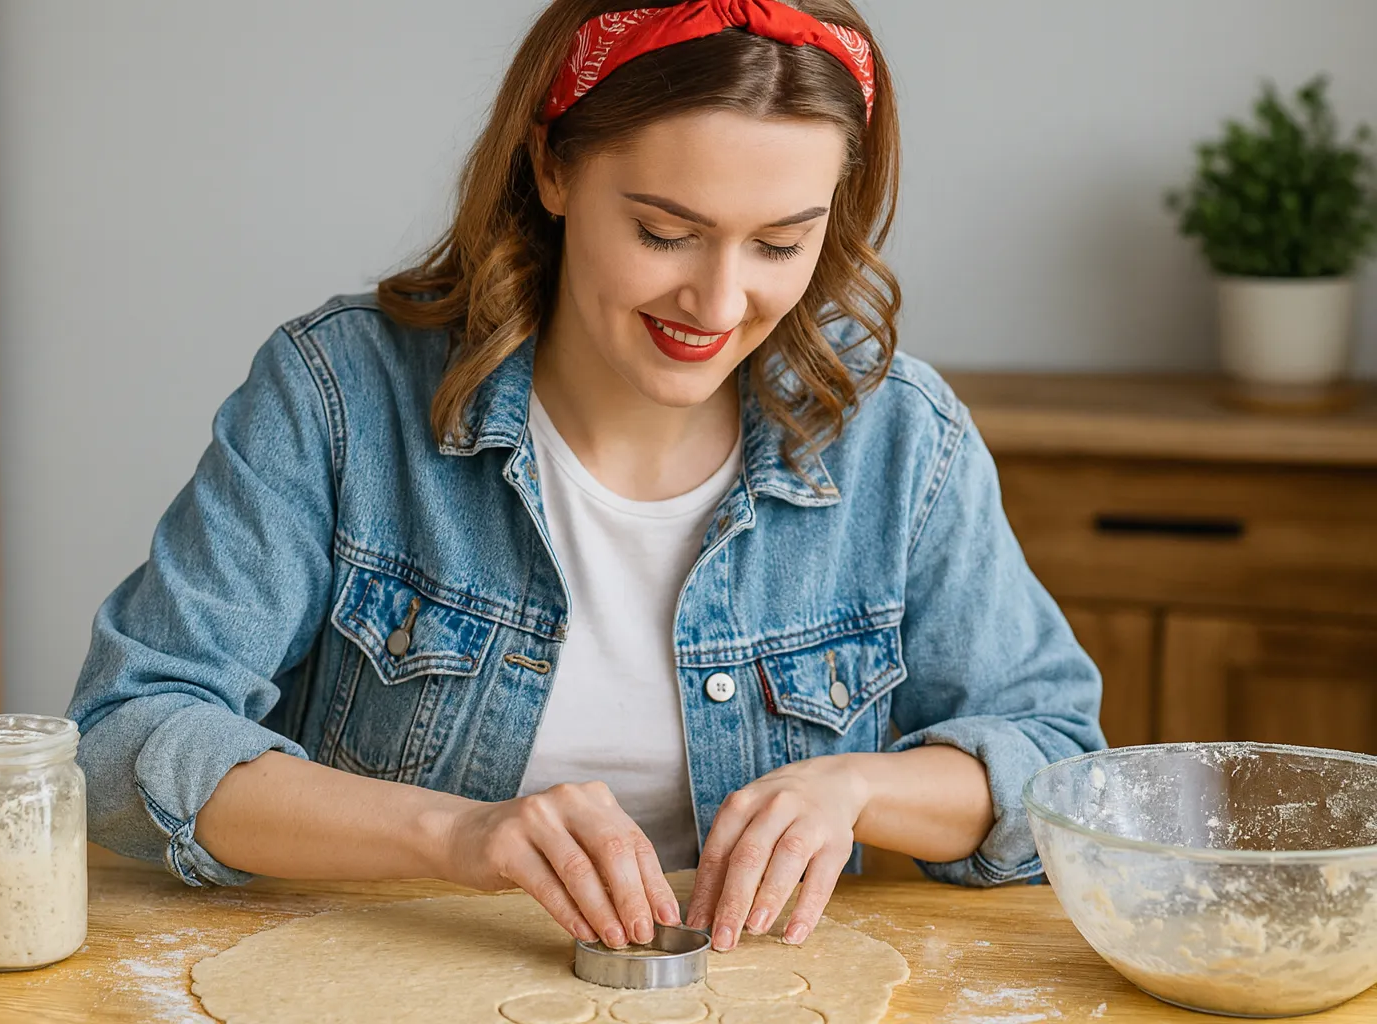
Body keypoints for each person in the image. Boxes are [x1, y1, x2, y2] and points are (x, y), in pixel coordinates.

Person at [68, 0, 1104, 957]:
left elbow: (1058, 765)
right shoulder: (340, 396)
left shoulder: (898, 439)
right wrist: (457, 835)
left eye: (781, 242)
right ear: (551, 170)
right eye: (665, 232)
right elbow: (129, 738)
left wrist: (859, 788)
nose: (718, 300)